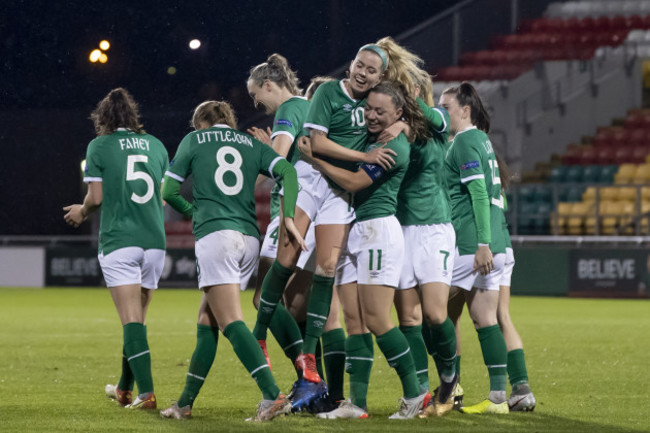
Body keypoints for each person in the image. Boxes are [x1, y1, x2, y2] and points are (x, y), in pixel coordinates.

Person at [250, 41, 397, 392]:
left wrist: (402, 128)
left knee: (326, 271)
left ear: (380, 76)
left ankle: (309, 360)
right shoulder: (328, 91)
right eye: (359, 65)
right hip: (309, 181)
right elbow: (316, 144)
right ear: (351, 64)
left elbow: (412, 112)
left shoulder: (374, 103)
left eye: (371, 70)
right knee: (284, 262)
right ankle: (259, 337)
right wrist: (366, 157)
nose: (362, 73)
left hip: (338, 190)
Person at [159, 100, 305, 421]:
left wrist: (194, 212)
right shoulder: (251, 144)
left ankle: (271, 394)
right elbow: (288, 171)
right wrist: (289, 216)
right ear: (230, 120)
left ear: (200, 123)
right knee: (207, 321)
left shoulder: (194, 141)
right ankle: (184, 403)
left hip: (217, 236)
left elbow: (168, 190)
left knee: (230, 322)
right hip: (249, 238)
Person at [301, 81, 432, 419]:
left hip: (377, 231)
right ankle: (356, 404)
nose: (372, 116)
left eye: (381, 112)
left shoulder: (394, 146)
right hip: (353, 230)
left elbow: (354, 183)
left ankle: (416, 394)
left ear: (398, 113)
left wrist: (315, 160)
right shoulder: (371, 139)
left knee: (377, 319)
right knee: (355, 322)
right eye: (369, 109)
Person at [246, 56, 345, 411]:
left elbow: (277, 159)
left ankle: (307, 377)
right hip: (323, 208)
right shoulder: (312, 107)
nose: (258, 104)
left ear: (270, 85)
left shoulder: (289, 107)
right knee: (302, 308)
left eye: (258, 96)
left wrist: (255, 162)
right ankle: (323, 391)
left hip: (295, 207)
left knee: (263, 299)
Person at [63, 88, 168, 410]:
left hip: (120, 240)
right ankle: (124, 388)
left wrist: (81, 211)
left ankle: (146, 393)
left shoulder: (99, 146)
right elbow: (163, 196)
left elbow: (95, 197)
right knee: (138, 319)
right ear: (132, 115)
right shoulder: (156, 145)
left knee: (130, 321)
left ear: (103, 118)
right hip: (154, 242)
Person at [388, 69, 460, 418]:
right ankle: (417, 396)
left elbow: (433, 117)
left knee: (434, 313)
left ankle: (449, 376)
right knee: (409, 318)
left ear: (418, 90)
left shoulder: (438, 120)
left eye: (408, 89)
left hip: (434, 226)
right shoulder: (388, 125)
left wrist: (411, 104)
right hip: (398, 227)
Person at [438, 82, 510, 414]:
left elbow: (479, 194)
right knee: (484, 319)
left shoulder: (465, 142)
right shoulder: (482, 140)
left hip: (469, 245)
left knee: (428, 311)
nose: (441, 112)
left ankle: (449, 387)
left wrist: (481, 244)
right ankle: (498, 398)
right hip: (488, 243)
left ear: (464, 111)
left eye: (446, 107)